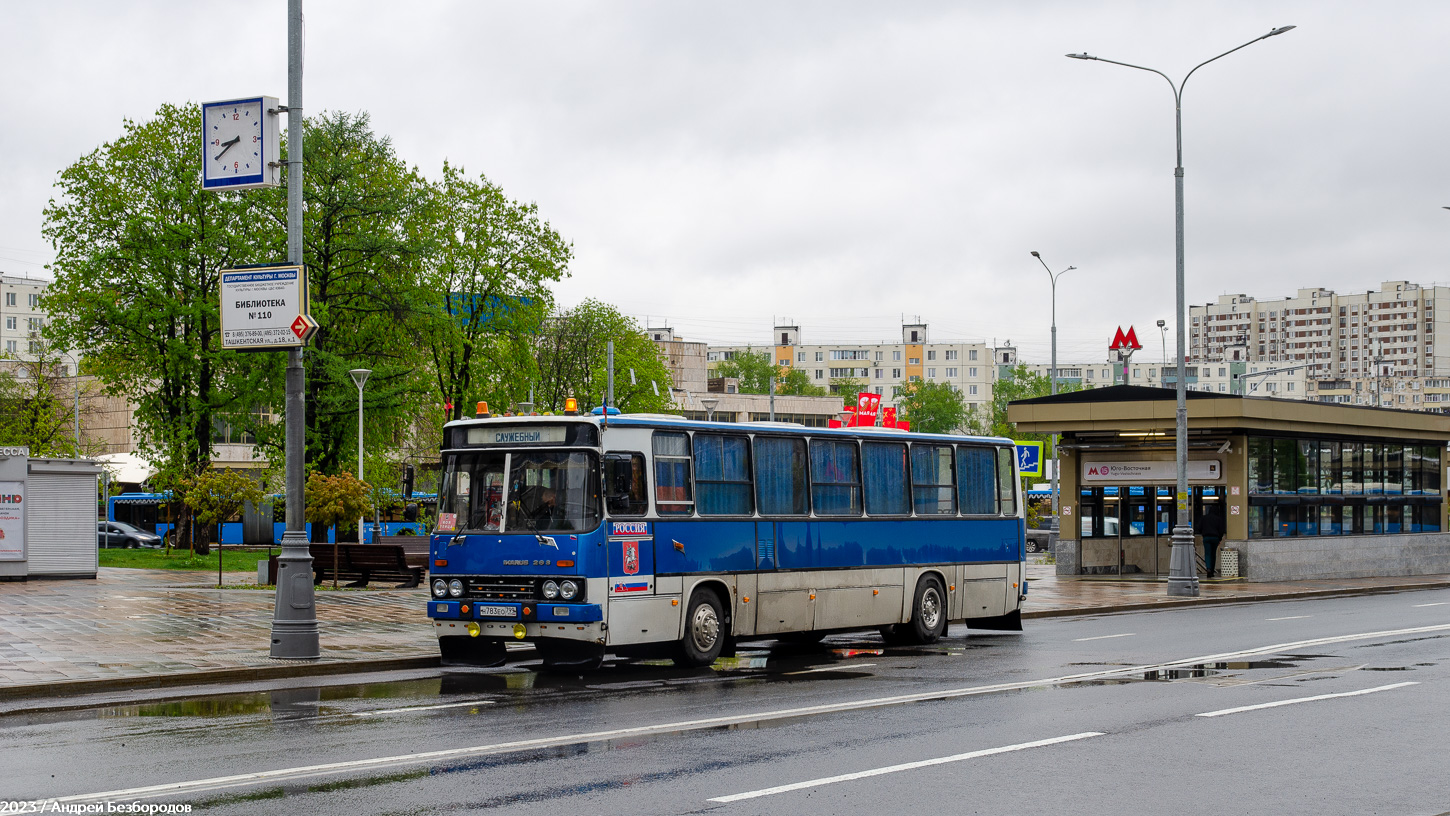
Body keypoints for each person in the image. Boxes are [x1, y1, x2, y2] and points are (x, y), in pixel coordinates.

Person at [1199, 506, 1227, 577]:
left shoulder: (1204, 518)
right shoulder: (1218, 519)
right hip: (1215, 538)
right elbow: (1221, 530)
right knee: (1213, 554)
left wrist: (1203, 534)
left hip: (1206, 537)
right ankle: (1212, 571)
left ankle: (1208, 568)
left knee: (1207, 554)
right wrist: (1219, 539)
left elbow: (1199, 528)